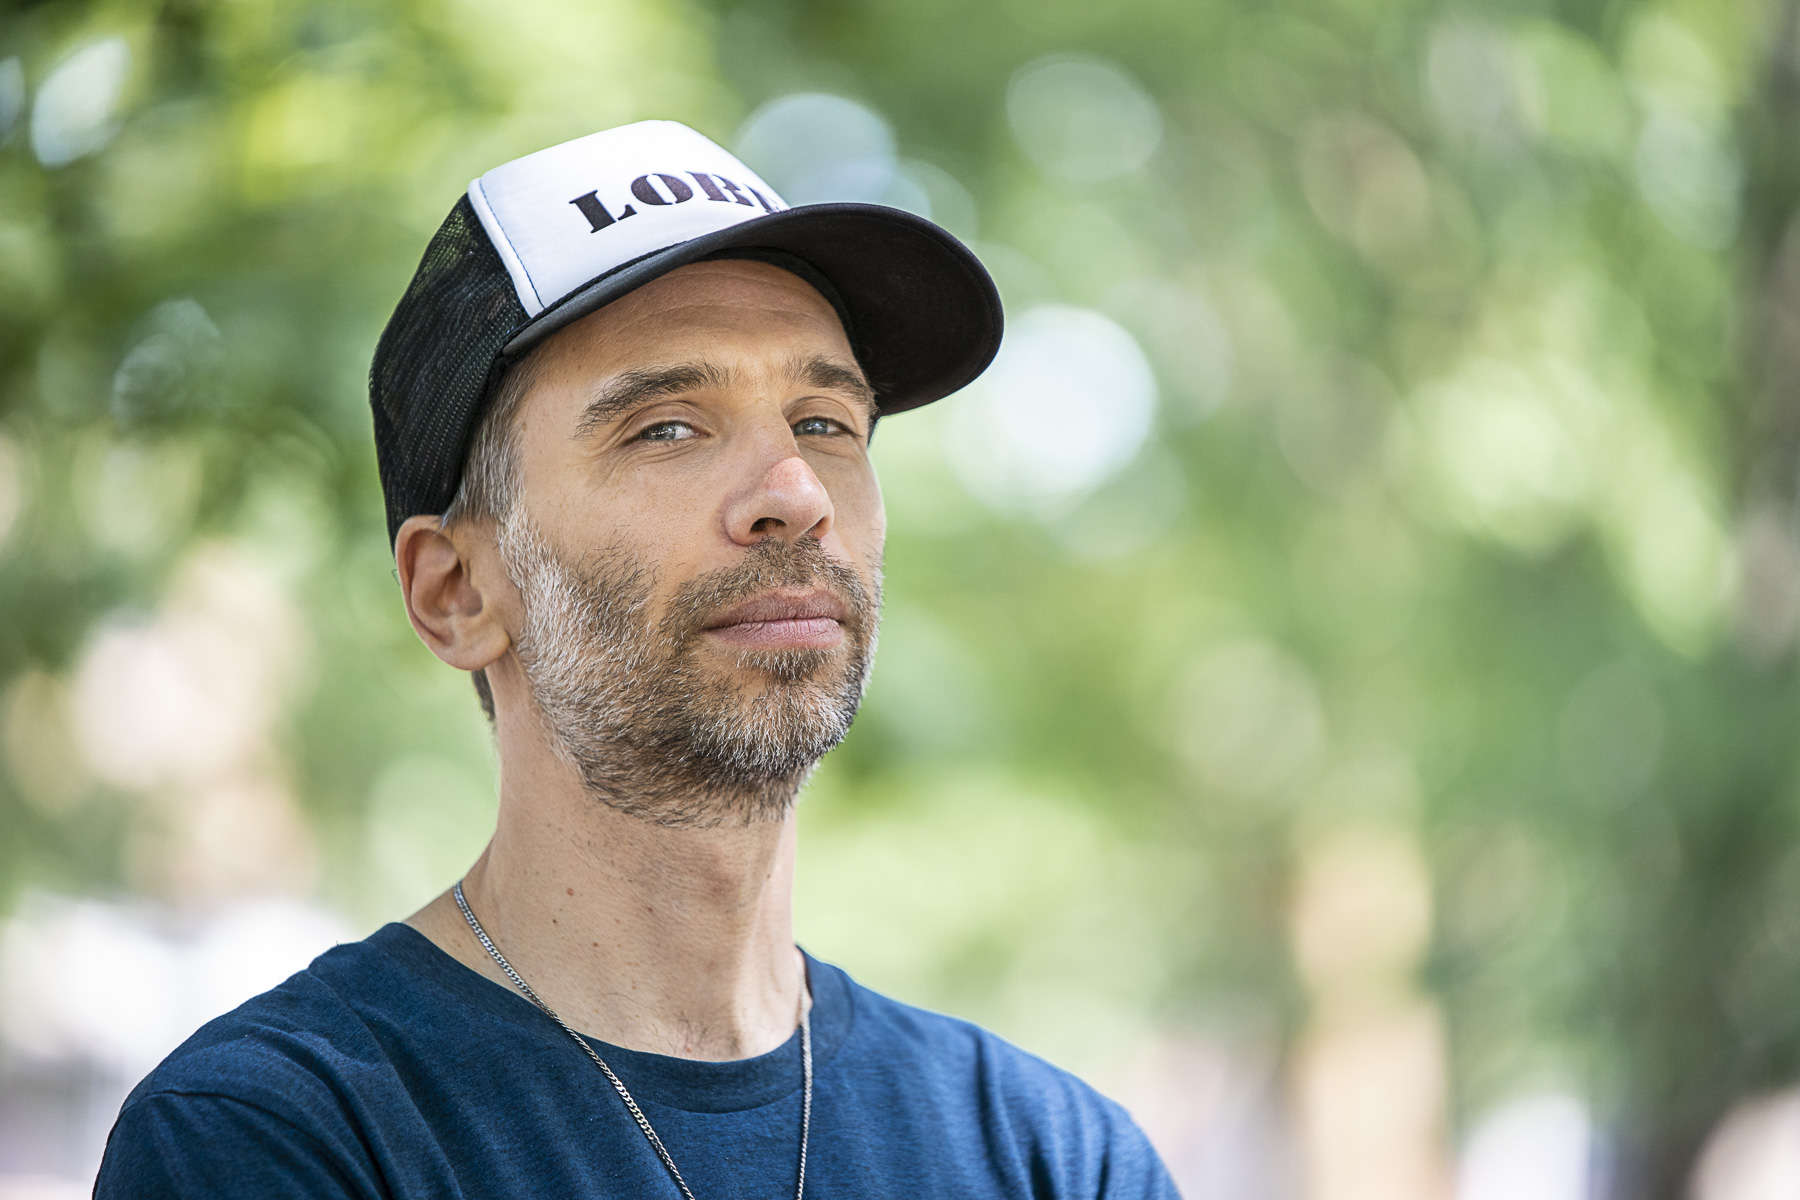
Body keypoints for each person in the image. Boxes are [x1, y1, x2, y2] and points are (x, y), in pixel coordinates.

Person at [94, 119, 1178, 1199]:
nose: (795, 495)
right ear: (457, 592)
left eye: (824, 422)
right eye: (667, 427)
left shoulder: (1055, 1158)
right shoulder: (276, 1137)